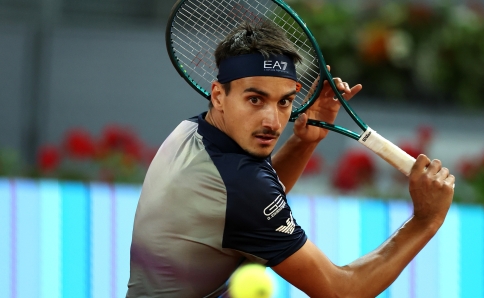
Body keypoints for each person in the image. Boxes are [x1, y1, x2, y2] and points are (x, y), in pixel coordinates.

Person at [126, 20, 455, 298]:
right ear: (218, 95)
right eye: (255, 99)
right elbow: (343, 290)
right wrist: (425, 221)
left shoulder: (192, 131)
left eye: (285, 102)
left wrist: (302, 142)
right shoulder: (241, 186)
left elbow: (245, 209)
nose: (272, 120)